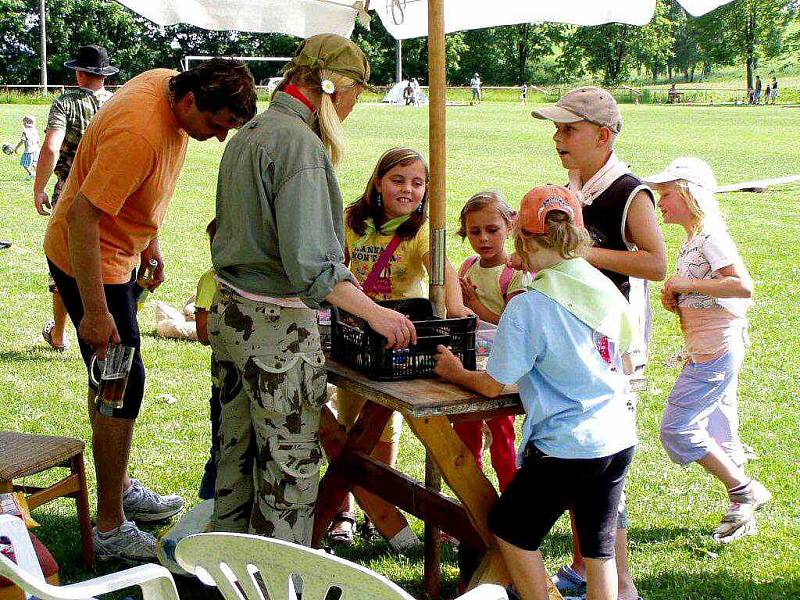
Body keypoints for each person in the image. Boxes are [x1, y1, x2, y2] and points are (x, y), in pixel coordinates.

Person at [43, 58, 258, 562]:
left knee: (117, 383)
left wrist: (149, 240)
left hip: (118, 256)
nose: (219, 138)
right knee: (119, 385)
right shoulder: (139, 133)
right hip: (90, 264)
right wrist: (96, 312)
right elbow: (81, 214)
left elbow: (131, 188)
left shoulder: (166, 83)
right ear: (189, 101)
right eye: (216, 125)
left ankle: (117, 489)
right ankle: (111, 525)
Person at [209, 34, 417, 546]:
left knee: (236, 456)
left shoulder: (251, 132)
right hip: (274, 328)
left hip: (232, 312)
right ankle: (280, 582)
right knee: (288, 469)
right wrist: (379, 315)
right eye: (351, 99)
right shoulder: (299, 145)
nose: (347, 112)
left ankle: (225, 574)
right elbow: (314, 268)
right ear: (333, 89)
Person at [434, 185, 638, 600]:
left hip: (568, 445)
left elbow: (492, 384)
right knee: (600, 553)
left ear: (520, 237)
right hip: (617, 436)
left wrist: (455, 371)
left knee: (510, 529)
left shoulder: (530, 303)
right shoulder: (602, 287)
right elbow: (625, 361)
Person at [532, 86, 667, 600]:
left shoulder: (630, 192)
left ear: (603, 136)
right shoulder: (573, 185)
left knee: (600, 466)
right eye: (557, 128)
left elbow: (655, 263)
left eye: (569, 129)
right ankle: (587, 569)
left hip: (613, 351)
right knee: (580, 457)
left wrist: (584, 255)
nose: (558, 137)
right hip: (575, 343)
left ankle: (620, 582)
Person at [326, 147, 471, 547]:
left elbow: (443, 270)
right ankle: (343, 510)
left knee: (386, 425)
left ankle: (381, 507)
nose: (408, 190)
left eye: (417, 183)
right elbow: (335, 263)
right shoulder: (351, 222)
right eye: (398, 180)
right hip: (356, 331)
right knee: (349, 420)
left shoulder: (422, 230)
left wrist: (456, 310)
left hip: (401, 337)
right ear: (378, 182)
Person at [645, 157, 771, 543]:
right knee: (720, 429)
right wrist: (678, 296)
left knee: (678, 429)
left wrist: (687, 286)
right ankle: (742, 508)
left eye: (666, 195)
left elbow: (742, 287)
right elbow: (705, 289)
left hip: (716, 351)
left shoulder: (711, 235)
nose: (659, 203)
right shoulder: (693, 239)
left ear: (688, 193)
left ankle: (742, 489)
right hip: (706, 347)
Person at [34, 44, 117, 353]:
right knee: (108, 259)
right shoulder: (117, 102)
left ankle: (59, 333)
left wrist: (39, 186)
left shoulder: (65, 103)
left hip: (71, 191)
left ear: (80, 73)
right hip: (111, 191)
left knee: (63, 262)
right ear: (104, 74)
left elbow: (51, 147)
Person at [455, 191, 531, 488]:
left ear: (509, 227)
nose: (483, 238)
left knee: (502, 441)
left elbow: (514, 324)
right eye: (475, 232)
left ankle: (511, 505)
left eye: (492, 230)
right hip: (471, 365)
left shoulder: (515, 274)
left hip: (501, 371)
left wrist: (474, 305)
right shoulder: (468, 267)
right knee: (465, 439)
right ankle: (474, 505)